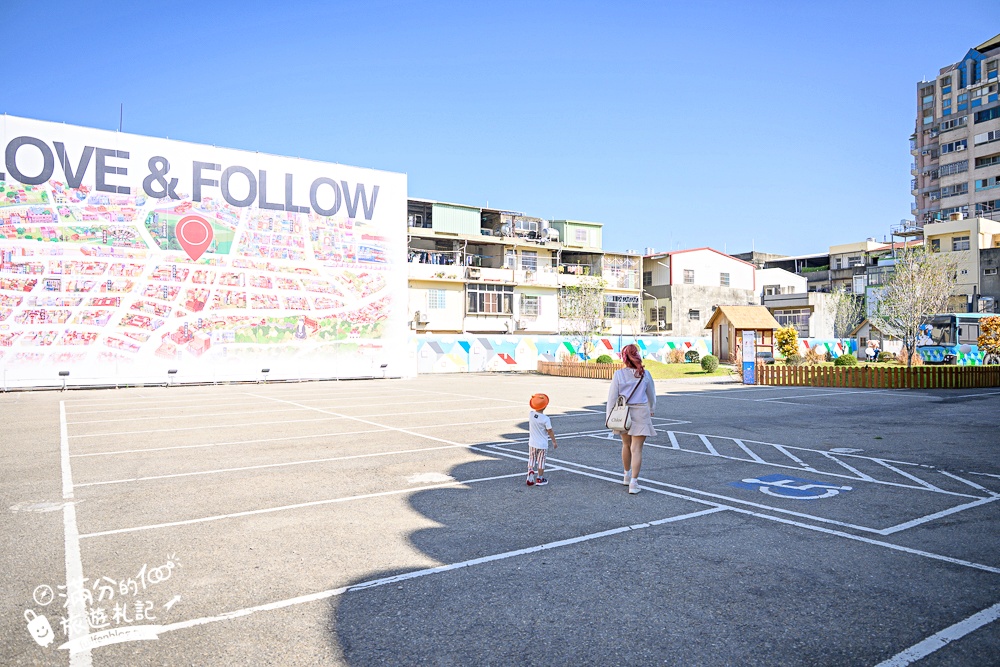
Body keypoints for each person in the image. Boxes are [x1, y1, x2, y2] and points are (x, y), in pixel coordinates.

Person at [607, 344, 656, 495]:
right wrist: (652, 409)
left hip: (623, 413)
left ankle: (626, 475)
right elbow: (652, 395)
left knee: (626, 445)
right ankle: (634, 483)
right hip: (641, 411)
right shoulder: (645, 374)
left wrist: (609, 416)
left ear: (624, 357)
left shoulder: (619, 374)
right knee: (637, 449)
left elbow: (612, 397)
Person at [526, 393, 558, 487]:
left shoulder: (531, 414)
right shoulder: (546, 419)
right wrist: (554, 441)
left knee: (531, 458)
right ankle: (540, 478)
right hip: (542, 444)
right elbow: (550, 431)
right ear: (545, 406)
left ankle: (530, 470)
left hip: (532, 443)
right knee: (541, 461)